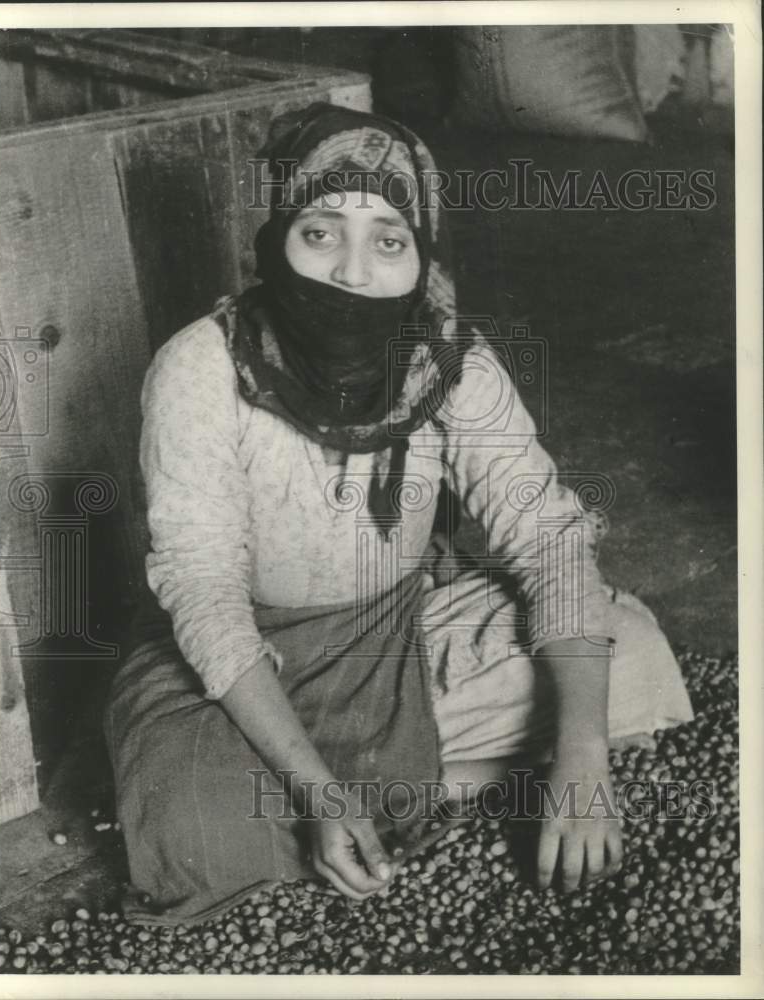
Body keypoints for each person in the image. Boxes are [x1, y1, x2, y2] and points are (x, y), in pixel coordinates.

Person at [104, 102, 694, 927]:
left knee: (626, 652)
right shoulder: (200, 366)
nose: (352, 270)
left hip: (401, 628)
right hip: (240, 655)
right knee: (190, 832)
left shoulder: (450, 362)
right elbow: (201, 589)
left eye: (388, 240)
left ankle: (408, 786)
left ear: (421, 258)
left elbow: (548, 540)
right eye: (321, 233)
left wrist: (584, 756)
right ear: (276, 240)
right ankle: (418, 788)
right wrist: (316, 788)